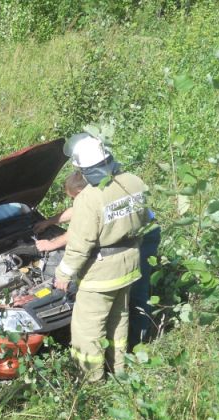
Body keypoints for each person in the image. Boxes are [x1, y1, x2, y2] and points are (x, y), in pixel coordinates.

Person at [52, 134, 150, 381]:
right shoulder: (133, 182)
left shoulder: (89, 197)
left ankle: (92, 378)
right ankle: (118, 369)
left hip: (101, 273)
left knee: (88, 328)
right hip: (130, 263)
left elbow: (80, 244)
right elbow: (143, 218)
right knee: (119, 319)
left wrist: (64, 273)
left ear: (83, 169)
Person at [35, 172, 161, 347]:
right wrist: (50, 221)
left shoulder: (99, 195)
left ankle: (139, 341)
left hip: (143, 235)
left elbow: (81, 233)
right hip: (127, 237)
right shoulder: (98, 188)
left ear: (82, 190)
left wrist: (51, 244)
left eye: (75, 197)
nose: (75, 201)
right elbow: (79, 210)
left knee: (137, 288)